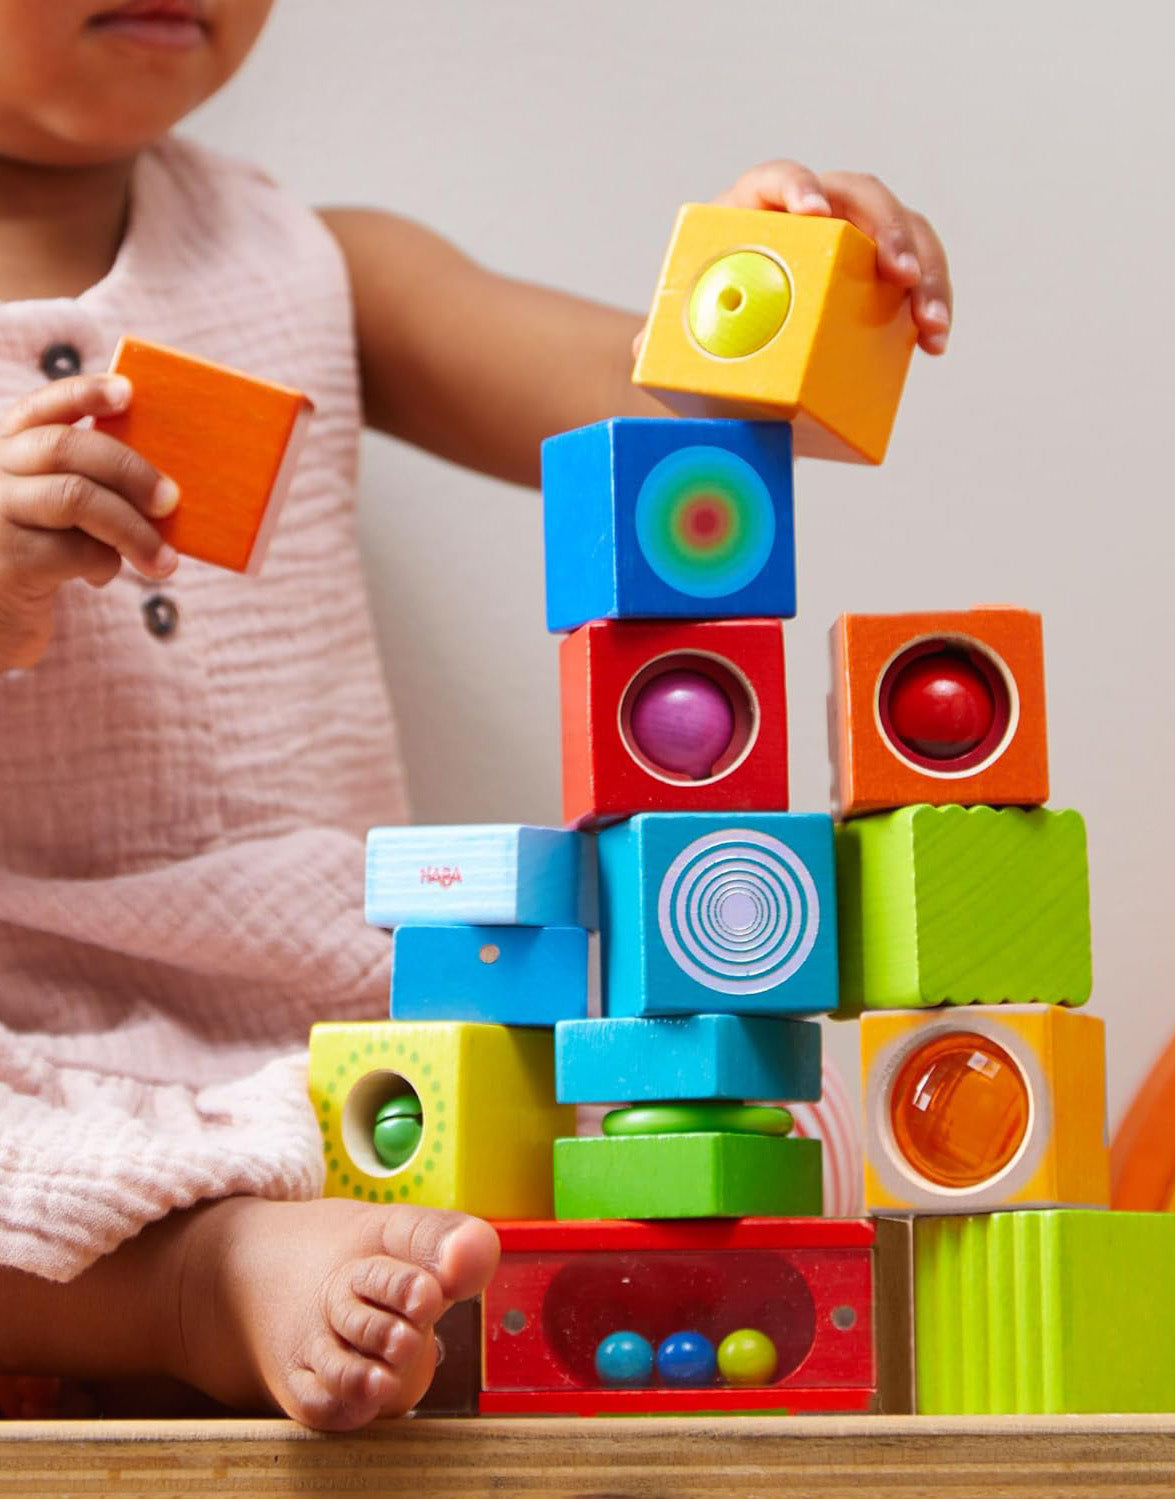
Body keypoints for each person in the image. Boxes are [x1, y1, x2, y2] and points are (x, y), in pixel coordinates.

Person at [0, 0, 953, 1431]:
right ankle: (197, 1286)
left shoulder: (321, 268)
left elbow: (700, 414)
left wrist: (781, 280)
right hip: (21, 1031)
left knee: (740, 1112)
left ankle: (334, 1247)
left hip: (340, 1023)